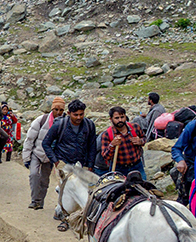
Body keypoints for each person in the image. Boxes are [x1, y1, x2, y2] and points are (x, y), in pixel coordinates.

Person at [42, 99, 97, 231]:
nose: (79, 118)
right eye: (75, 115)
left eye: (81, 114)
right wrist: (56, 161)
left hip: (81, 164)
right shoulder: (59, 125)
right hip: (63, 163)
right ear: (69, 113)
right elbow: (46, 143)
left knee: (82, 190)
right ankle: (65, 218)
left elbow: (92, 146)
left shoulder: (89, 125)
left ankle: (80, 217)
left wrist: (90, 165)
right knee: (66, 190)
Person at [23, 97, 66, 209]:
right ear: (52, 109)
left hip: (50, 156)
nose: (58, 112)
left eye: (61, 110)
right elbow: (29, 139)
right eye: (56, 109)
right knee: (33, 174)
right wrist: (26, 157)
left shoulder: (65, 124)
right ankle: (34, 199)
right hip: (37, 152)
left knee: (45, 180)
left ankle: (40, 201)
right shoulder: (41, 120)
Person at [100, 106, 146, 179]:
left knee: (143, 187)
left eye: (122, 117)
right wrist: (112, 145)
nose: (120, 120)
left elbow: (144, 138)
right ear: (111, 119)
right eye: (117, 118)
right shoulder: (107, 135)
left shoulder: (135, 128)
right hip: (119, 169)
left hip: (137, 166)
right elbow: (105, 156)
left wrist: (140, 141)